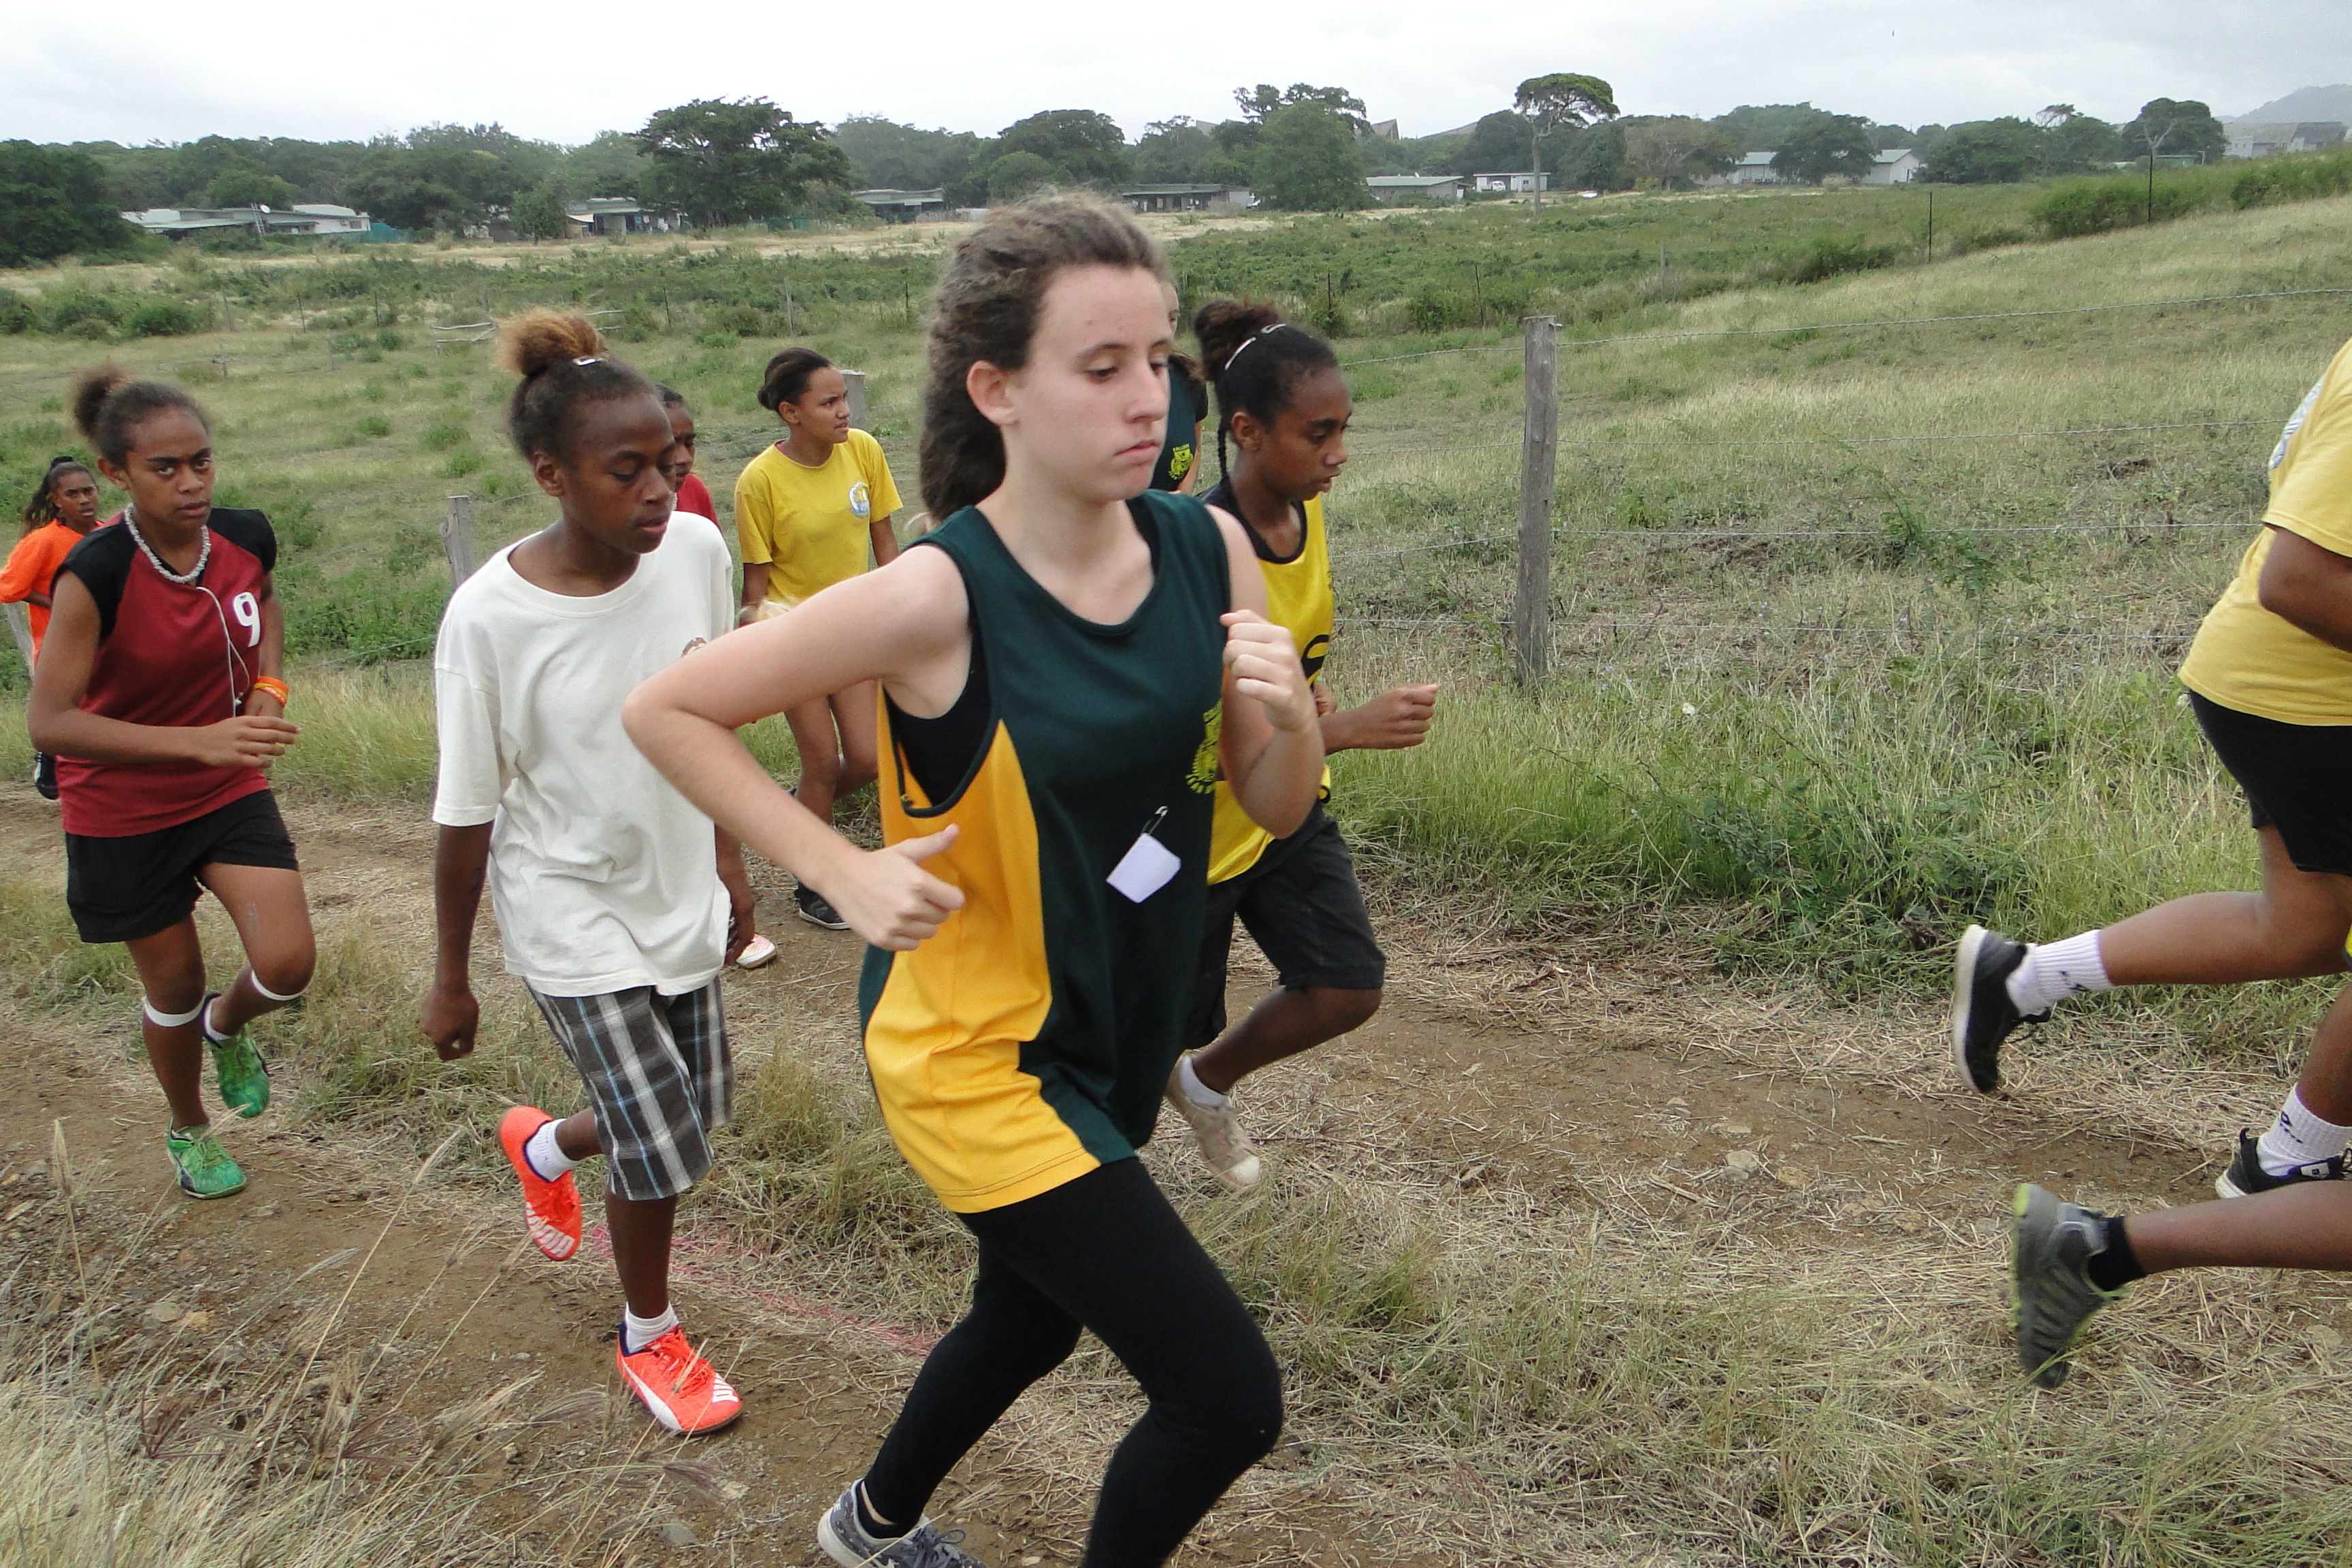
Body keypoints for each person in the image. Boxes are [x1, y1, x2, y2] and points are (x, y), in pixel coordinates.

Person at [623, 195, 1324, 1568]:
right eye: (1100, 366)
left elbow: (1274, 800)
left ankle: (868, 1524)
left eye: (1157, 360)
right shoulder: (941, 593)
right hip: (976, 1054)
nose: (1148, 400)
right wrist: (838, 866)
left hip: (1115, 1023)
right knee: (1224, 1396)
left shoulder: (1209, 548)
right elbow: (667, 708)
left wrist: (1291, 711)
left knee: (1029, 1314)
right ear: (998, 389)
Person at [420, 312, 757, 1437]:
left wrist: (728, 857)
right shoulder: (489, 618)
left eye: (671, 461)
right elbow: (467, 812)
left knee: (694, 1111)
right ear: (549, 474)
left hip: (675, 881)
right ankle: (648, 1332)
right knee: (660, 1139)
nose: (661, 490)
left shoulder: (696, 554)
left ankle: (545, 1143)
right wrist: (452, 975)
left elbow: (710, 711)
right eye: (627, 471)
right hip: (567, 904)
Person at [1955, 336, 2352, 1203]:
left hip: (2277, 682)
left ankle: (2023, 977)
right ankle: (2292, 1162)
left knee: (2304, 930)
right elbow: (2300, 577)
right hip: (2313, 697)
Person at [1162, 303, 1439, 1192]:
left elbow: (1292, 660)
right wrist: (1345, 730)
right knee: (1142, 1050)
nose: (1339, 453)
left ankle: (1204, 1086)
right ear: (1246, 431)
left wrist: (1312, 700)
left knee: (1347, 985)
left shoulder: (1305, 518)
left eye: (1344, 430)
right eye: (1318, 434)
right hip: (1195, 841)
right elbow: (1204, 735)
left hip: (1284, 811)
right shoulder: (1200, 554)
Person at [27, 370, 316, 1201]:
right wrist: (201, 742)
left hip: (224, 788)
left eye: (201, 462)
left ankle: (228, 1026)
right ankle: (189, 1129)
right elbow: (49, 722)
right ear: (116, 473)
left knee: (288, 964)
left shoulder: (244, 537)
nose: (191, 483)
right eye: (165, 469)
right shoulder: (96, 572)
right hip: (121, 808)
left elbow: (264, 606)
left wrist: (269, 690)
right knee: (176, 984)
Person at [731, 348, 902, 931]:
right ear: (791, 412)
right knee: (823, 762)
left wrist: (903, 611)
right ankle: (814, 881)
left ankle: (799, 810)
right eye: (828, 402)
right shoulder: (758, 482)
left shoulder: (864, 451)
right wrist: (750, 659)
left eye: (843, 399)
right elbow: (756, 583)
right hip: (793, 640)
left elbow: (885, 543)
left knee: (868, 758)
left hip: (854, 633)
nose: (843, 411)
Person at [657, 382, 775, 970]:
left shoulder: (696, 502)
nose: (682, 459)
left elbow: (707, 599)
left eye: (690, 442)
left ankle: (724, 905)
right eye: (666, 446)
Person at [5, 455, 105, 799]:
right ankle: (48, 759)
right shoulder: (44, 541)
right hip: (57, 645)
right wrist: (60, 604)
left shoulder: (109, 534)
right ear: (57, 501)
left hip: (108, 641)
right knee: (67, 710)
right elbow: (9, 588)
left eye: (88, 491)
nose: (84, 500)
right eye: (73, 494)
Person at [1148, 280, 1206, 495]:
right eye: (1156, 316)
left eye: (1172, 318)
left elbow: (1196, 449)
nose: (1166, 330)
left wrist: (1180, 500)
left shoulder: (1190, 378)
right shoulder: (1102, 384)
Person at [655, 384, 719, 523]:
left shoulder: (694, 490)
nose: (685, 458)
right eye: (671, 445)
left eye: (689, 444)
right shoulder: (619, 508)